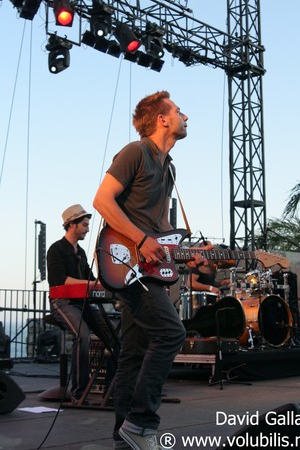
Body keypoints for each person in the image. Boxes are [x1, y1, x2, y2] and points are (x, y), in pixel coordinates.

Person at [93, 91, 207, 450]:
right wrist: (141, 241)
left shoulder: (169, 168)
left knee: (133, 352)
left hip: (148, 267)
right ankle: (141, 424)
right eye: (178, 111)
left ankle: (124, 436)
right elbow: (102, 200)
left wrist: (183, 254)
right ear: (162, 119)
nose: (185, 116)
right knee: (172, 334)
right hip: (125, 263)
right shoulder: (136, 152)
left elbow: (161, 232)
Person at [47, 204, 119, 405]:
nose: (88, 229)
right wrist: (90, 283)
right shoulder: (56, 249)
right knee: (83, 335)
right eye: (84, 225)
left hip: (83, 302)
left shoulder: (82, 253)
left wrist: (108, 286)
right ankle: (79, 392)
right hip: (62, 302)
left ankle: (112, 390)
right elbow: (59, 280)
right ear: (71, 225)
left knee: (114, 337)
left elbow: (92, 278)